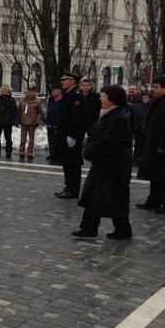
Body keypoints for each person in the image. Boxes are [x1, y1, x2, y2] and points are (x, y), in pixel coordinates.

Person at [73, 85, 133, 239]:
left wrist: (90, 150)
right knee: (95, 196)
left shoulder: (119, 117)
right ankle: (89, 228)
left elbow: (109, 141)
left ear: (113, 99)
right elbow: (94, 133)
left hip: (114, 167)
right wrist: (89, 144)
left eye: (104, 96)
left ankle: (123, 230)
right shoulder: (106, 114)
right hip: (103, 165)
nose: (101, 99)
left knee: (113, 198)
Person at [55, 70, 86, 199]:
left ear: (72, 81)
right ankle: (68, 187)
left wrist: (73, 135)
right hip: (65, 134)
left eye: (65, 80)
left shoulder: (76, 95)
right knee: (67, 163)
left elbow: (77, 118)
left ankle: (73, 190)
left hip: (72, 135)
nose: (62, 82)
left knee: (73, 163)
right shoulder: (68, 94)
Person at [136, 76, 165, 212]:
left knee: (162, 176)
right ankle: (153, 200)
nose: (154, 90)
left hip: (161, 146)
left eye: (157, 87)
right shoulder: (157, 100)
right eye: (153, 87)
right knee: (155, 175)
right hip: (153, 142)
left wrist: (162, 145)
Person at [18, 86, 43, 161]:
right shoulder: (22, 101)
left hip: (32, 123)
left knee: (31, 139)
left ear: (35, 92)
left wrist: (37, 121)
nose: (31, 93)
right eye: (29, 91)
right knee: (23, 138)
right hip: (23, 122)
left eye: (32, 91)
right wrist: (17, 120)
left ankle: (30, 152)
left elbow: (40, 113)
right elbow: (18, 111)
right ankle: (21, 151)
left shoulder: (37, 101)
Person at [0, 85, 17, 158]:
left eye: (5, 89)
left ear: (8, 91)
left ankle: (8, 152)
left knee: (8, 137)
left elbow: (15, 110)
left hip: (8, 121)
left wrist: (15, 120)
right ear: (0, 90)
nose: (4, 90)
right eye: (3, 89)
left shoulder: (12, 100)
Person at [131, 92, 151, 166]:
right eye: (143, 97)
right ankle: (136, 159)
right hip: (139, 130)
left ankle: (144, 159)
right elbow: (135, 118)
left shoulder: (151, 107)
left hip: (147, 130)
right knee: (138, 146)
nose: (145, 99)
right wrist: (135, 128)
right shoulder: (138, 107)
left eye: (147, 97)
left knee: (146, 146)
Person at [45, 85, 63, 164]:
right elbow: (48, 110)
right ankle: (52, 154)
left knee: (57, 141)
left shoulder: (63, 100)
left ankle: (57, 157)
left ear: (59, 91)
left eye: (55, 90)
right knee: (51, 140)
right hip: (50, 123)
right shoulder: (50, 99)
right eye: (52, 90)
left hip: (58, 124)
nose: (53, 92)